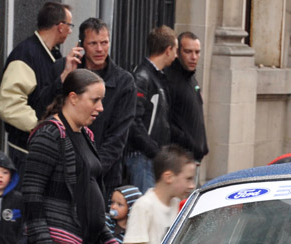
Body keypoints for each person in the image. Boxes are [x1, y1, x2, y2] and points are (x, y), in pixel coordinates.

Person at [0, 2, 84, 244]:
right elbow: (9, 105)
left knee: (38, 214)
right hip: (25, 150)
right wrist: (41, 128)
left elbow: (47, 96)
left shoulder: (52, 56)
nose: (70, 31)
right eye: (69, 25)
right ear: (60, 26)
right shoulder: (26, 55)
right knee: (27, 213)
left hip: (38, 149)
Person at [24, 69, 122, 244]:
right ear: (73, 97)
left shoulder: (85, 135)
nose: (100, 107)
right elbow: (32, 193)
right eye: (95, 100)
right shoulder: (50, 134)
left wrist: (105, 236)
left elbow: (86, 195)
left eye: (101, 100)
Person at [119, 145, 196, 244]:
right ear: (169, 177)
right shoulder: (144, 206)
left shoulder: (176, 205)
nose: (192, 186)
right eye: (188, 179)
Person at [74, 18, 136, 192]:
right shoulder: (66, 72)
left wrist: (92, 172)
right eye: (93, 43)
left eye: (104, 42)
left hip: (104, 178)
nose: (100, 49)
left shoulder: (124, 81)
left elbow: (118, 137)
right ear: (81, 45)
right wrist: (64, 77)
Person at [124, 26, 178, 194]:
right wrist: (154, 151)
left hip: (150, 157)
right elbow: (134, 120)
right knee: (145, 205)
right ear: (168, 50)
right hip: (143, 158)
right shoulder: (143, 77)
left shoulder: (156, 76)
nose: (176, 55)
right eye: (175, 50)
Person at [166, 31, 208, 165]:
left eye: (197, 52)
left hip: (193, 158)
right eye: (188, 52)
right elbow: (165, 122)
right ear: (177, 52)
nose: (193, 57)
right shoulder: (170, 80)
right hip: (178, 159)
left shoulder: (191, 79)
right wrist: (189, 144)